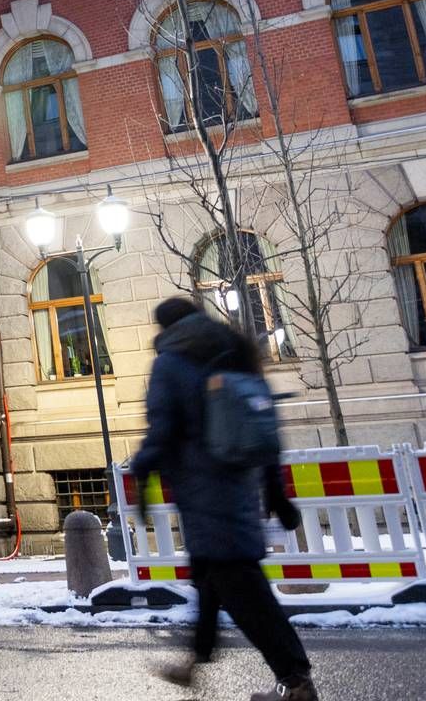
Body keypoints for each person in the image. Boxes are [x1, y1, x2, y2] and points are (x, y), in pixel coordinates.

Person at [130, 296, 315, 701]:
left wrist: (141, 471)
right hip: (239, 484)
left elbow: (162, 429)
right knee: (211, 575)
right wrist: (276, 490)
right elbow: (263, 423)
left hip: (201, 488)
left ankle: (296, 681)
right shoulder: (234, 350)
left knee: (243, 589)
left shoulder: (171, 363)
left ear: (165, 329)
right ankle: (195, 662)